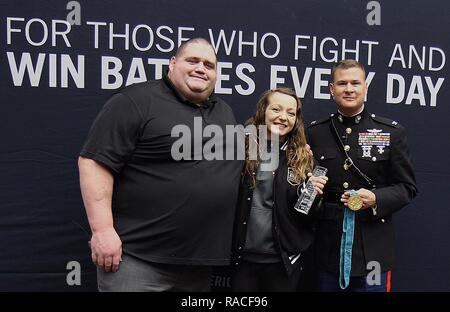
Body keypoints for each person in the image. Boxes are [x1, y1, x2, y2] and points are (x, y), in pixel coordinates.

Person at [78, 38, 243, 291]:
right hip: (138, 260)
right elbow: (94, 162)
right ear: (172, 63)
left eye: (209, 65)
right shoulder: (136, 101)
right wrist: (102, 230)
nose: (201, 68)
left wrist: (296, 151)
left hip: (197, 267)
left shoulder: (224, 112)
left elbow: (245, 158)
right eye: (193, 61)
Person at [307, 59, 418, 292]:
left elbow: (407, 188)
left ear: (365, 87)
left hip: (373, 254)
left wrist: (376, 199)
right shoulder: (314, 132)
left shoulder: (390, 132)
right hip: (328, 251)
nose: (349, 89)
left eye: (355, 83)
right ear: (331, 89)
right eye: (342, 83)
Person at [231, 88, 328, 291]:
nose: (283, 117)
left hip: (282, 262)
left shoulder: (304, 160)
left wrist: (311, 197)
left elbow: (308, 217)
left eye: (291, 113)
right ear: (263, 110)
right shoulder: (239, 147)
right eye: (276, 109)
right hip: (242, 259)